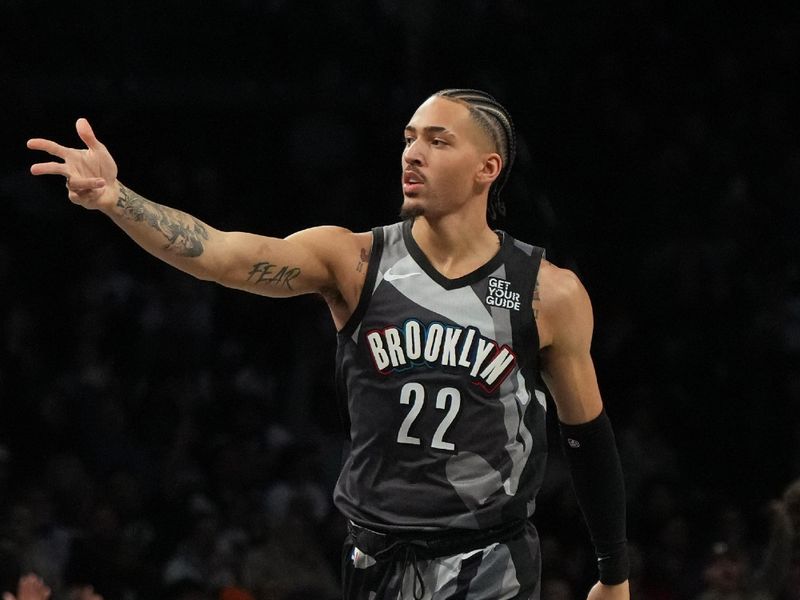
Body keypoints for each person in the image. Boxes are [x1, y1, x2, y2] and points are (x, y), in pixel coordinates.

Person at [28, 89, 630, 599]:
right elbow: (221, 255)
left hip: (490, 559)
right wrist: (117, 199)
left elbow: (587, 437)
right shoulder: (356, 259)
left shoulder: (546, 292)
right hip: (375, 554)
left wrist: (614, 572)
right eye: (409, 137)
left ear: (488, 168)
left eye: (438, 141)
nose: (413, 153)